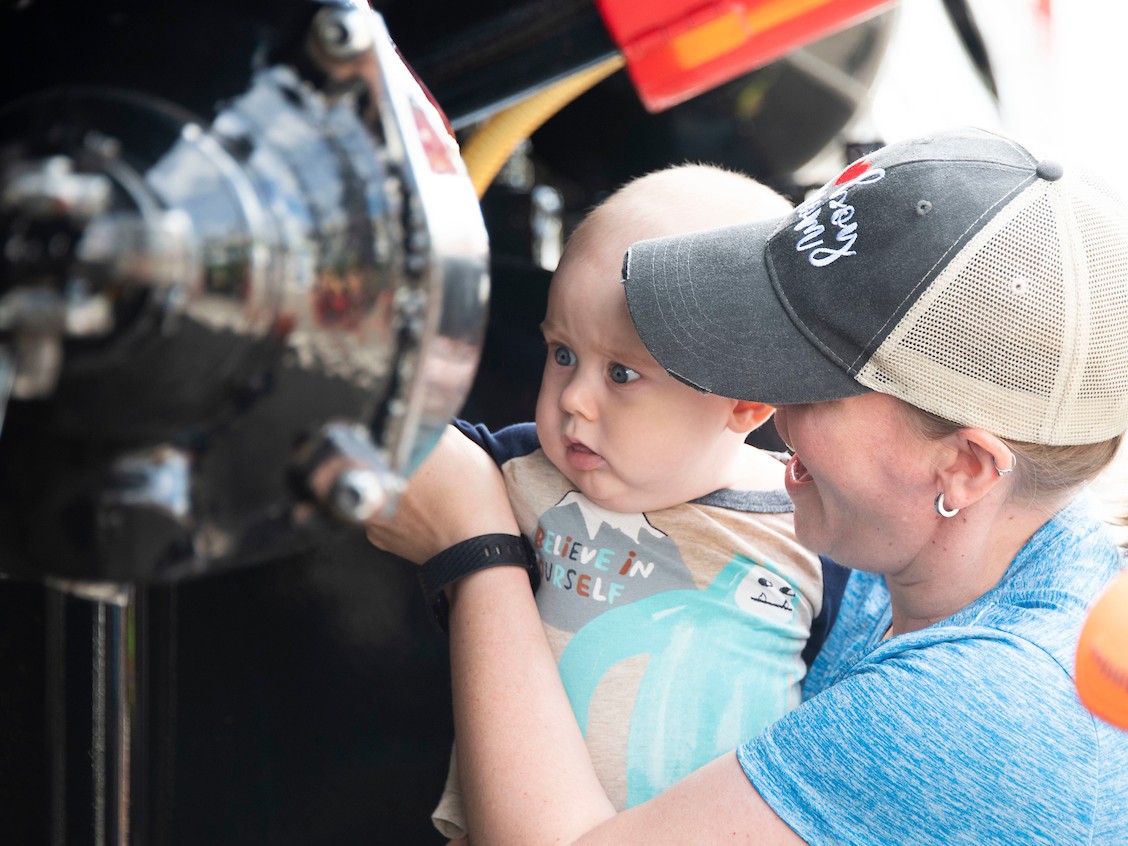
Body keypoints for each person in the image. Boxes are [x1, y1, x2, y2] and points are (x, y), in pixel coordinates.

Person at [367, 127, 1128, 844]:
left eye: (811, 383)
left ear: (965, 468)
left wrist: (477, 551)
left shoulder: (987, 709)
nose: (762, 400)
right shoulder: (949, 559)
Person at [417, 164, 850, 841]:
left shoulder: (814, 534)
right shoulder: (520, 468)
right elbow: (407, 448)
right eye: (562, 353)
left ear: (745, 401)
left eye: (622, 373)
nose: (573, 399)